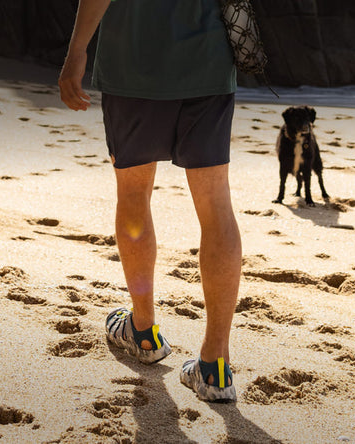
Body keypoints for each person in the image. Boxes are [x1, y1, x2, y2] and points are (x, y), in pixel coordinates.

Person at [58, 0, 245, 403]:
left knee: (133, 192)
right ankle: (215, 366)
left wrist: (76, 52)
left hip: (134, 64)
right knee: (216, 206)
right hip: (207, 61)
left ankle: (143, 331)